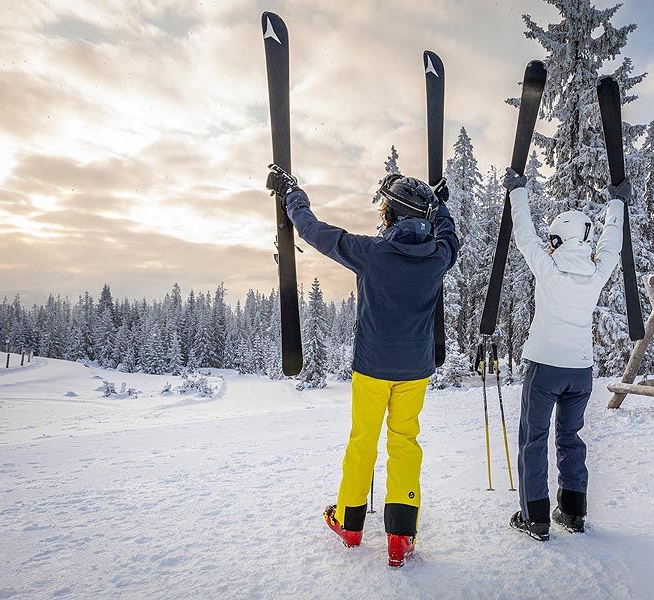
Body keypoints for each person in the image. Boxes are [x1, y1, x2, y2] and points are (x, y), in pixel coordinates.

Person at [265, 166, 459, 566]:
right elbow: (450, 233)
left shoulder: (371, 253)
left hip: (372, 367)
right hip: (416, 370)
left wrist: (292, 195)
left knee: (363, 442)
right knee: (404, 443)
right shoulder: (438, 256)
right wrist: (437, 206)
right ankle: (400, 537)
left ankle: (350, 524)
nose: (382, 212)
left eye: (386, 206)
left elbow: (314, 231)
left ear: (393, 215)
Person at [502, 167, 628, 541]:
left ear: (557, 239)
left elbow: (524, 235)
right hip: (581, 371)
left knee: (533, 438)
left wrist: (517, 192)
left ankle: (535, 517)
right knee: (570, 437)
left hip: (545, 368)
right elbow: (612, 243)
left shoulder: (549, 268)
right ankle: (573, 512)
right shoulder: (597, 270)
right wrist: (617, 203)